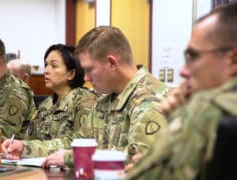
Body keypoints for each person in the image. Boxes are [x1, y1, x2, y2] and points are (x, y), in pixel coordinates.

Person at [119, 3, 237, 180]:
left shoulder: (204, 111)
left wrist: (175, 120)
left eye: (192, 55)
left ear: (233, 60)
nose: (183, 70)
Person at [42, 26, 169, 168]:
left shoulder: (149, 100)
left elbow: (139, 158)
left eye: (89, 69)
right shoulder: (105, 102)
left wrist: (72, 158)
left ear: (112, 63)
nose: (86, 77)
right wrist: (26, 148)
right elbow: (75, 143)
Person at [1, 44, 99, 159]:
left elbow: (79, 144)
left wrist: (27, 148)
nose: (46, 70)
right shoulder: (45, 105)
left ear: (71, 74)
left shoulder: (86, 100)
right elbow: (30, 140)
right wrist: (16, 146)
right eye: (46, 65)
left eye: (54, 66)